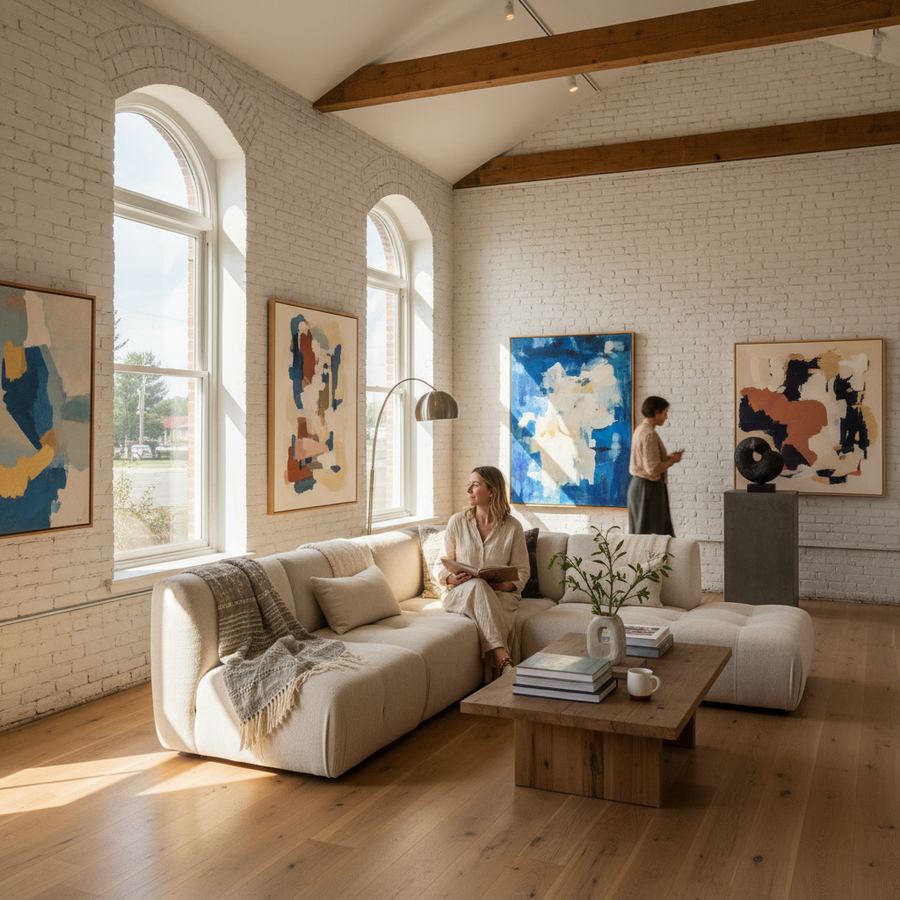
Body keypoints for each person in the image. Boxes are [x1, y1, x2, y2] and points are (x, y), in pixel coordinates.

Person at [435, 466, 530, 674]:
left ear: (492, 491)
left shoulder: (513, 527)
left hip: (500, 594)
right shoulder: (457, 522)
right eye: (469, 484)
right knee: (477, 584)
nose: (468, 490)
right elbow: (439, 565)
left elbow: (523, 570)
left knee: (493, 605)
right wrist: (452, 578)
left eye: (475, 485)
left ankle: (495, 680)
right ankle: (503, 660)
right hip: (461, 593)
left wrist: (507, 584)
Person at [628, 396, 683, 536]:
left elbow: (647, 462)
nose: (666, 417)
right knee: (652, 536)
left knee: (643, 534)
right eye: (664, 413)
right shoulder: (649, 435)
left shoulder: (640, 430)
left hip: (641, 487)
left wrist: (669, 458)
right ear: (656, 413)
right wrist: (673, 461)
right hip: (648, 489)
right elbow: (652, 469)